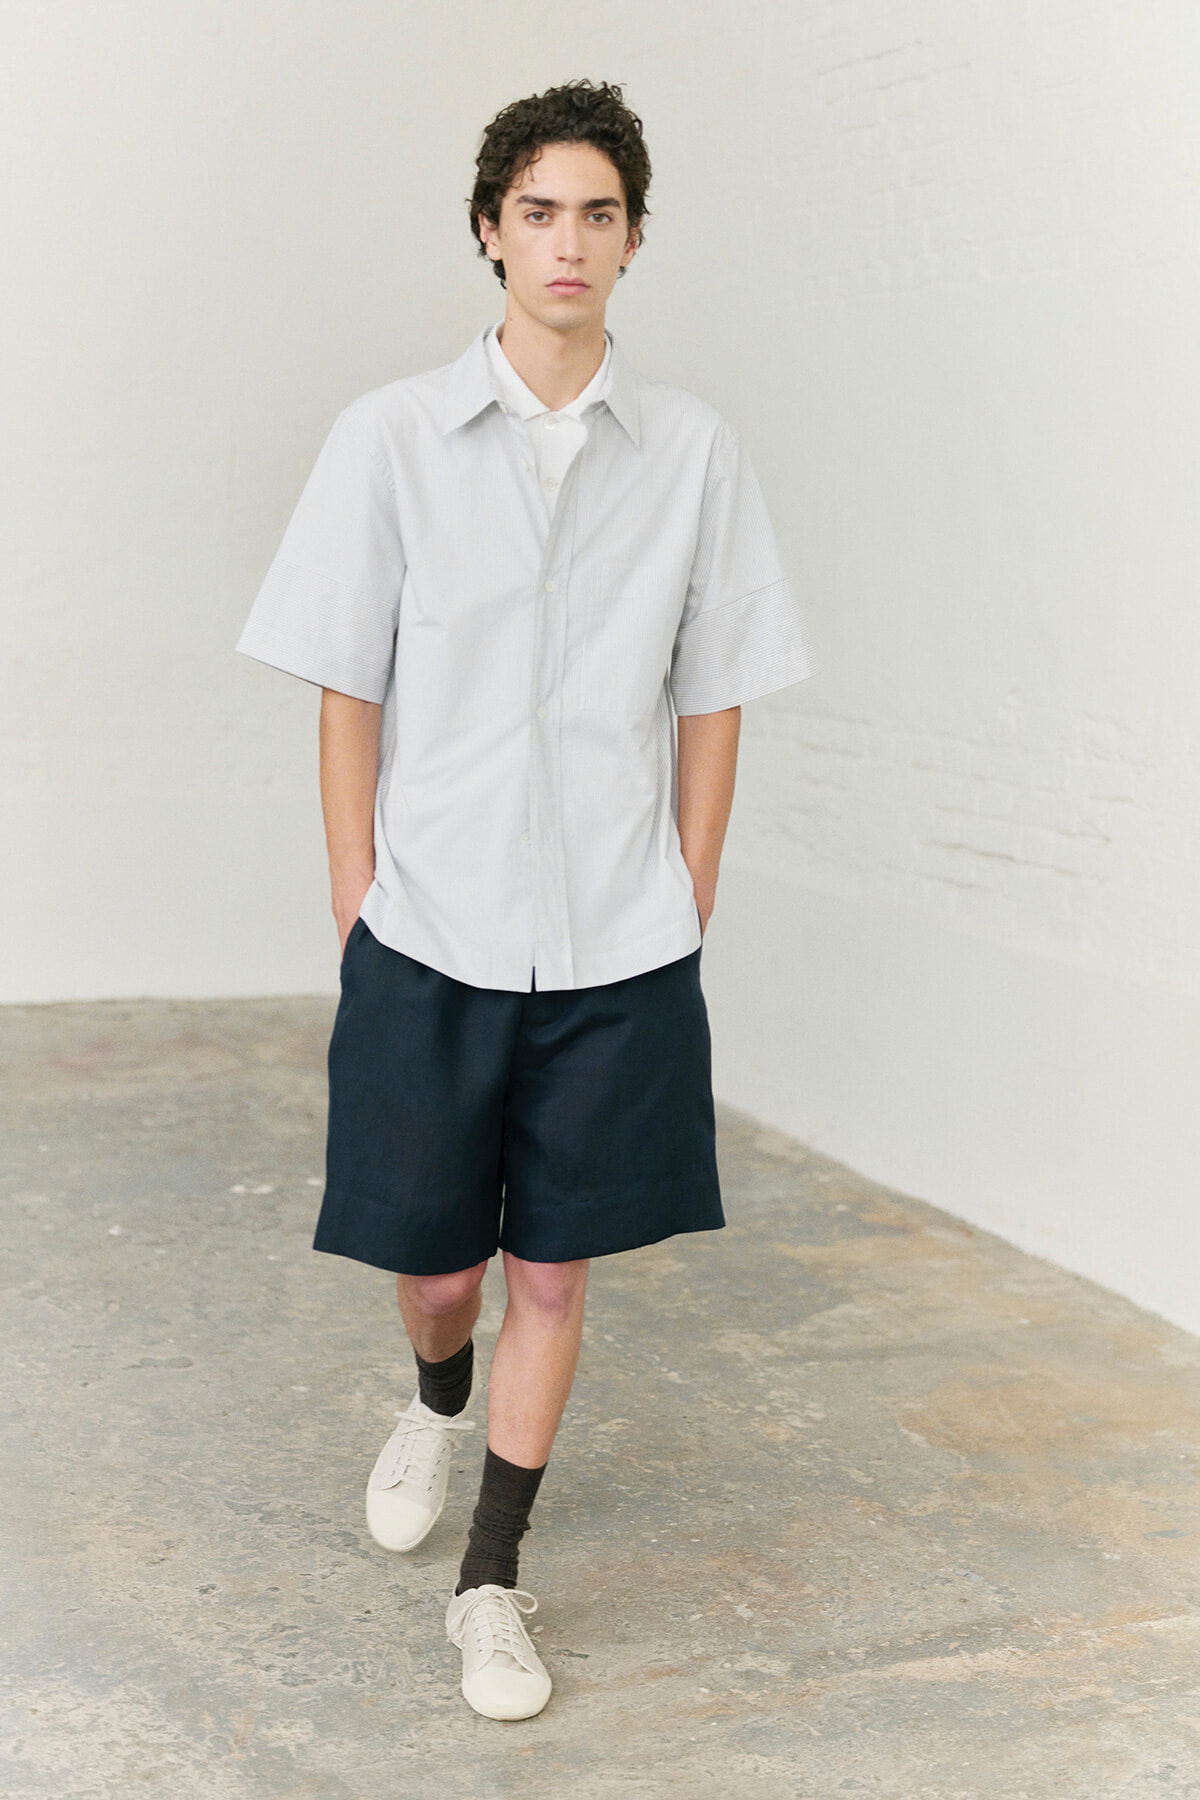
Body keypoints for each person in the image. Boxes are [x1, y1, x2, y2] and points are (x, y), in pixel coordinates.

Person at [236, 77, 812, 1722]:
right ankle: (433, 1394)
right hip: (430, 922)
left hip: (619, 939)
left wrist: (690, 888)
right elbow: (350, 681)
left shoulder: (692, 452)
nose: (568, 242)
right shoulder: (394, 437)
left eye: (600, 213)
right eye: (538, 211)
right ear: (490, 233)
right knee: (437, 1265)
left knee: (554, 1273)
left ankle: (493, 1579)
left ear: (634, 241)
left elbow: (718, 691)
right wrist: (355, 890)